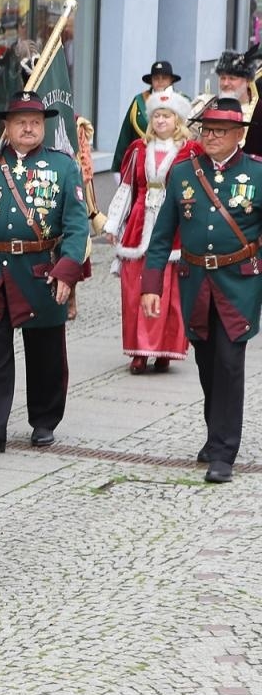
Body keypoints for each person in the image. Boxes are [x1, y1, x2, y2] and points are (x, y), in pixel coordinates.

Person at [0, 90, 90, 454]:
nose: (29, 128)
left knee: (46, 354)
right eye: (21, 122)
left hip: (41, 269)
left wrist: (68, 270)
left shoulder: (63, 166)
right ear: (7, 127)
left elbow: (76, 225)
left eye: (35, 122)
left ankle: (44, 421)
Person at [141, 98, 262, 484]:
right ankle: (216, 434)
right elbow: (161, 237)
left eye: (219, 131)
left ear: (238, 135)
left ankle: (224, 451)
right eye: (206, 129)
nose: (209, 137)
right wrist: (151, 285)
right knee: (208, 363)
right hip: (195, 282)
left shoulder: (257, 174)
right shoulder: (182, 174)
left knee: (229, 362)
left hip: (239, 284)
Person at [109, 89, 197, 373]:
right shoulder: (137, 149)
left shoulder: (189, 152)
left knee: (170, 291)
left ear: (177, 120)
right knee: (136, 287)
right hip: (139, 223)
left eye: (166, 116)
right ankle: (138, 352)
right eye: (156, 116)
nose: (161, 121)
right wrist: (113, 224)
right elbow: (126, 188)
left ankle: (164, 350)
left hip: (174, 228)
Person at [110, 60, 182, 170]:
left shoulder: (182, 102)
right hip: (141, 162)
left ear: (171, 80)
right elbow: (126, 135)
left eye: (164, 78)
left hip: (174, 162)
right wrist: (119, 167)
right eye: (156, 78)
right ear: (151, 81)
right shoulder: (139, 101)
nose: (160, 81)